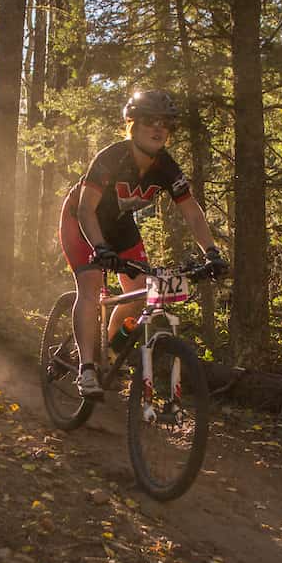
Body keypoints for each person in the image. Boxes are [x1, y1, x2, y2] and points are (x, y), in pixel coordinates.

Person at [58, 90, 228, 397]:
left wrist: (212, 252)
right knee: (91, 284)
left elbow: (191, 211)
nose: (159, 128)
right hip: (81, 221)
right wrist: (99, 248)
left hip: (120, 226)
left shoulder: (166, 166)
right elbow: (86, 210)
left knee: (140, 293)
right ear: (131, 124)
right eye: (150, 120)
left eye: (166, 123)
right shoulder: (111, 157)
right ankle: (87, 369)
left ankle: (107, 351)